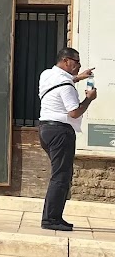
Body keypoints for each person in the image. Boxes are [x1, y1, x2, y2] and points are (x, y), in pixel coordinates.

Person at [38, 47, 96, 231]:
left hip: (45, 129)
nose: (79, 65)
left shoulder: (47, 75)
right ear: (66, 61)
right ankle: (51, 219)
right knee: (61, 176)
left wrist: (79, 77)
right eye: (76, 62)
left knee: (59, 174)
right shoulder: (66, 86)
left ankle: (53, 217)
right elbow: (74, 112)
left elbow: (63, 80)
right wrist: (89, 99)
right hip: (60, 132)